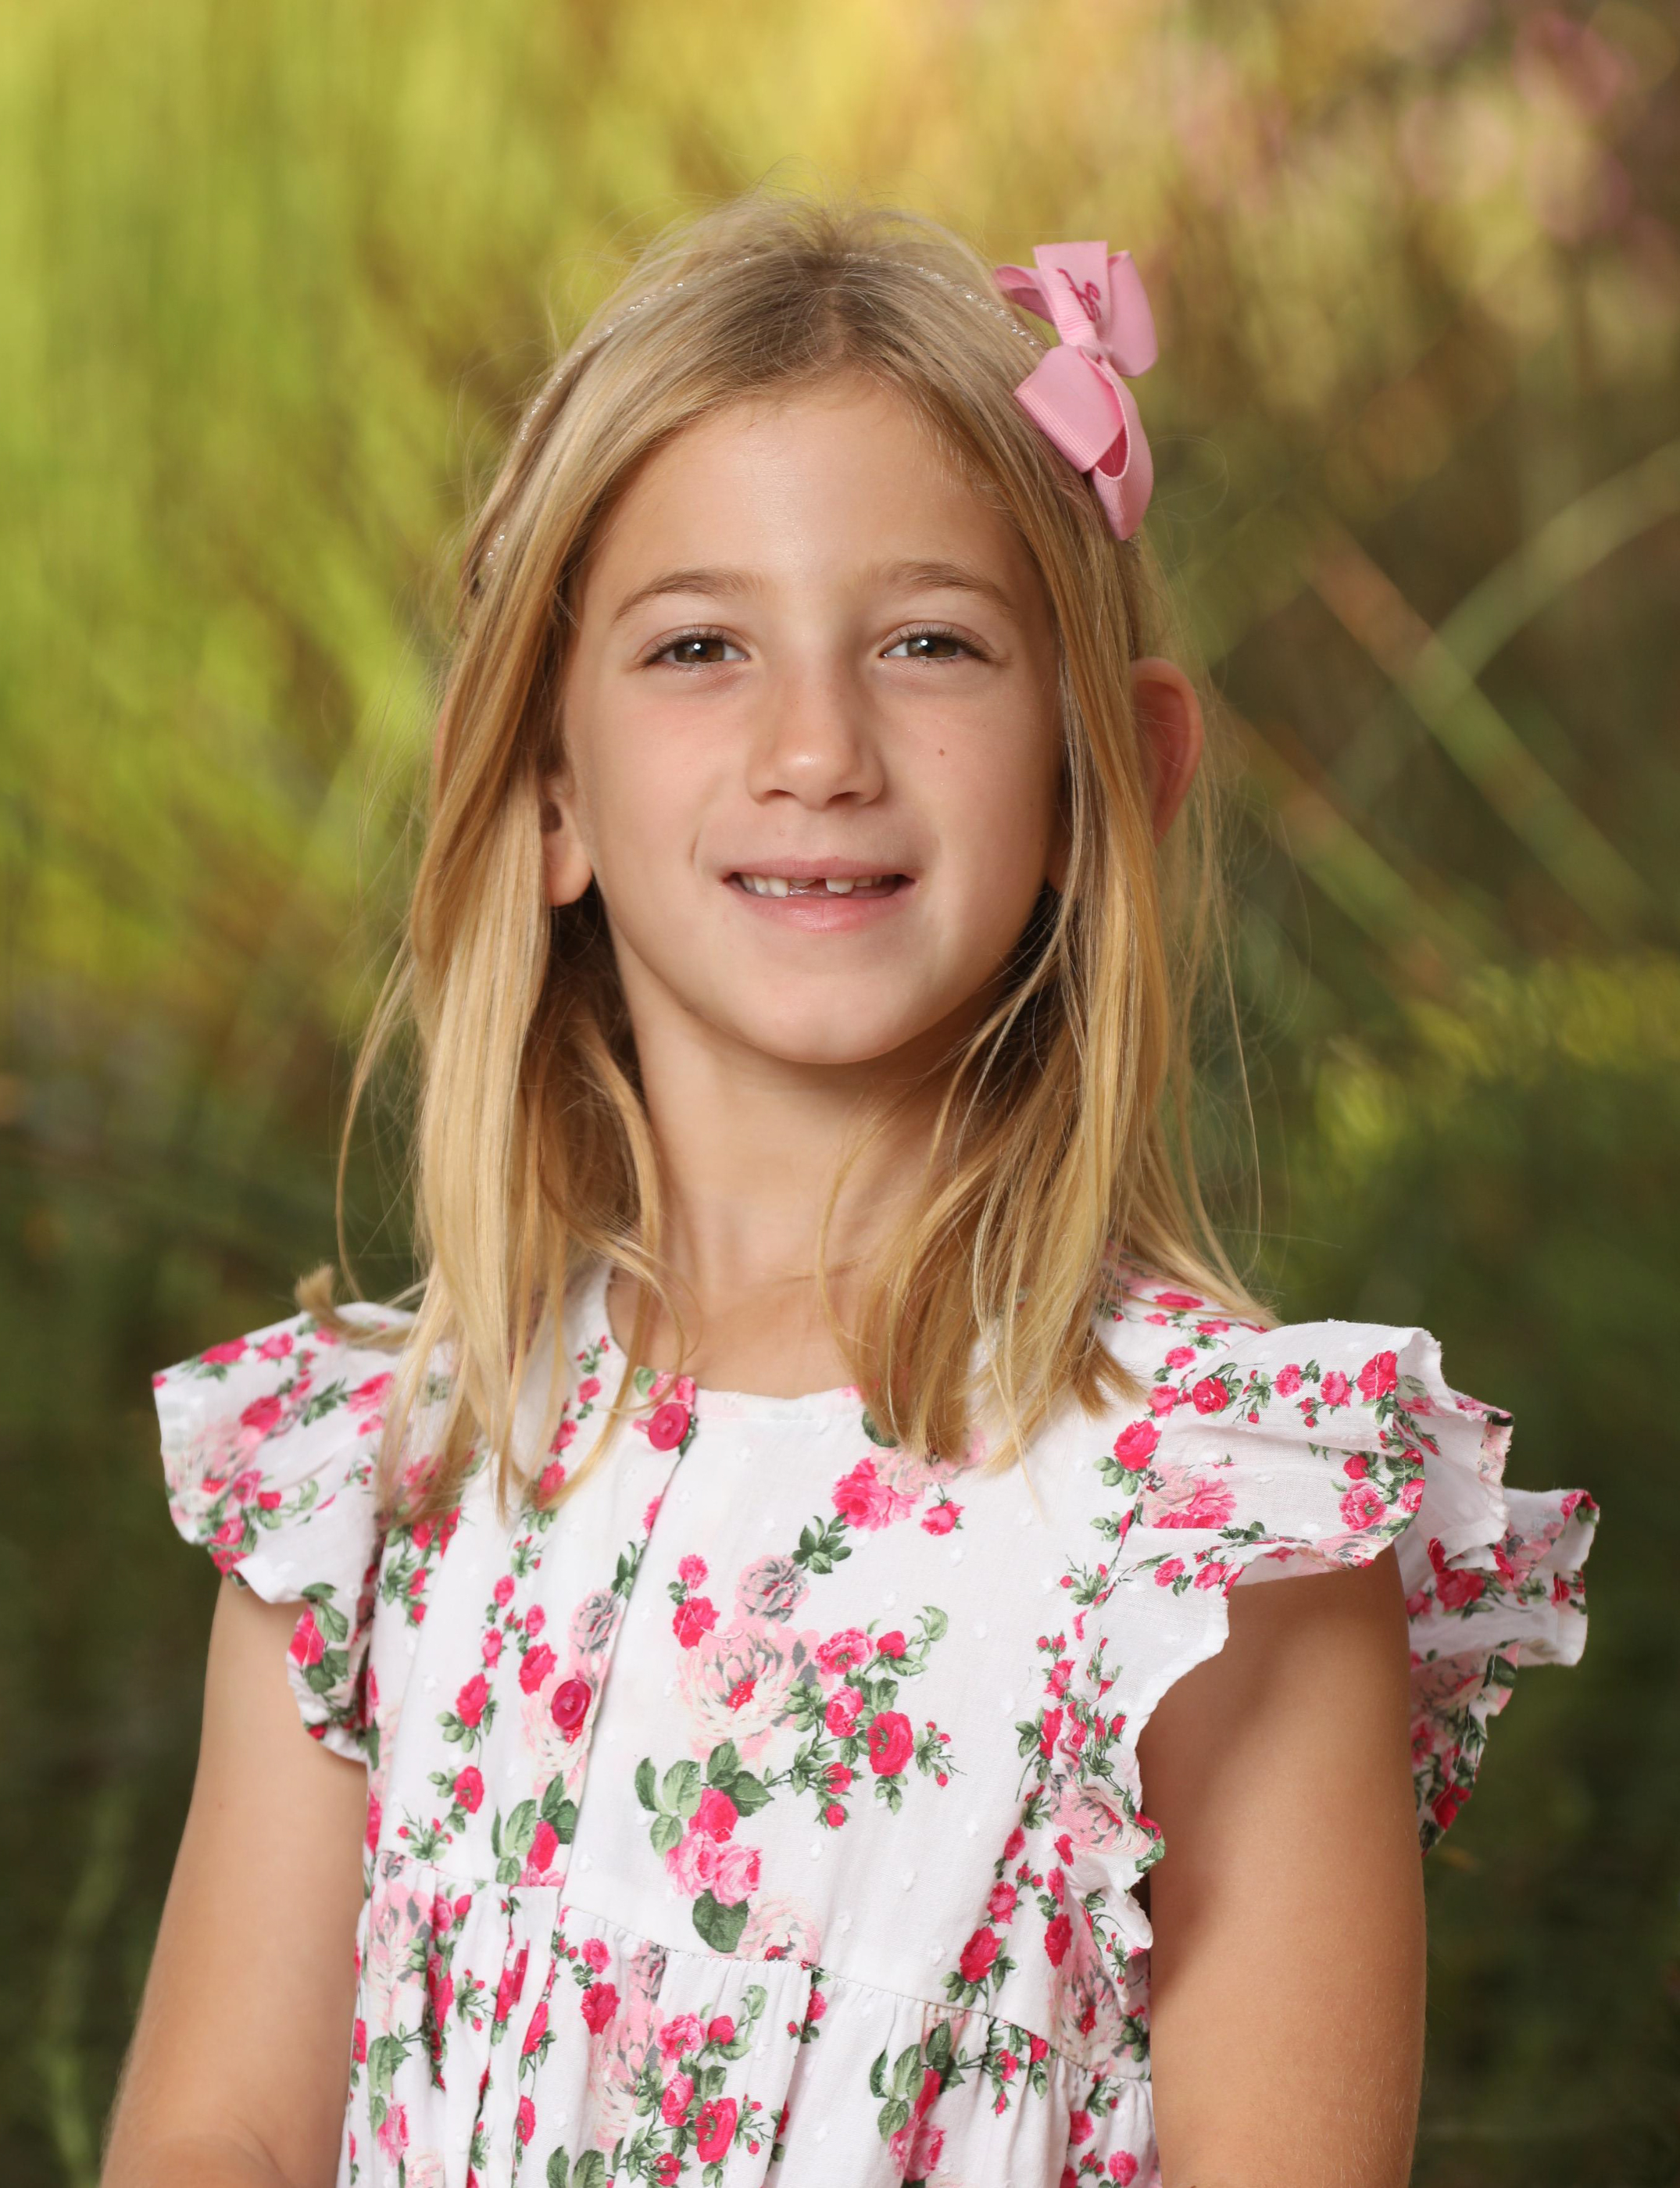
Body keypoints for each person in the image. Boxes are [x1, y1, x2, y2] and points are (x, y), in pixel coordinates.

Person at [100, 187, 1596, 2188]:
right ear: (541, 784)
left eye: (928, 642)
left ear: (1102, 776)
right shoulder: (382, 1478)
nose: (816, 747)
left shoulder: (1219, 1527)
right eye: (699, 645)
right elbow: (221, 2132)